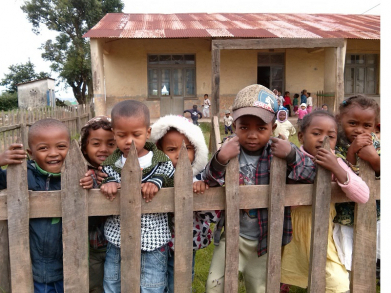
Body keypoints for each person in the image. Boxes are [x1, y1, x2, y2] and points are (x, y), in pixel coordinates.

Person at [203, 84, 316, 293]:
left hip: (265, 238)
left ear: (272, 128)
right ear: (234, 125)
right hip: (233, 234)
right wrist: (220, 158)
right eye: (244, 127)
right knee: (214, 284)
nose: (252, 135)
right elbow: (208, 180)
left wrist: (291, 154)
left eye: (261, 128)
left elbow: (312, 175)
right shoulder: (229, 149)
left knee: (260, 287)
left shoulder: (279, 152)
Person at [280, 110, 369, 293]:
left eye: (331, 136)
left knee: (337, 283)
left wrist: (337, 168)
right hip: (288, 230)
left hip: (322, 231)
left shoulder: (337, 162)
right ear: (302, 136)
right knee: (282, 269)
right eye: (316, 133)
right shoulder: (289, 158)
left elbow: (363, 196)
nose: (323, 139)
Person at [99, 100, 175, 293]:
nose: (129, 141)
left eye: (136, 134)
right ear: (114, 133)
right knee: (113, 283)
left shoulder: (159, 160)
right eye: (122, 135)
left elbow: (172, 177)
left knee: (152, 286)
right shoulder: (111, 164)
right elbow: (101, 178)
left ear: (147, 133)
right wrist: (107, 183)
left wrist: (156, 181)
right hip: (118, 238)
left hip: (154, 238)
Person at [0, 118, 71, 292]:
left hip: (69, 269)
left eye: (61, 146)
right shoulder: (22, 174)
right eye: (43, 148)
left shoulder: (76, 176)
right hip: (29, 269)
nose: (53, 153)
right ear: (30, 153)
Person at [150, 115, 221, 293]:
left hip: (187, 239)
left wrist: (201, 190)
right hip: (157, 239)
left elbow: (211, 215)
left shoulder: (198, 178)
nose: (179, 154)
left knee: (181, 276)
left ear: (196, 150)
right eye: (171, 149)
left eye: (187, 148)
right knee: (156, 277)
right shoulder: (153, 178)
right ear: (159, 150)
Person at [332, 95, 380, 273]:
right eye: (352, 123)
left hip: (376, 213)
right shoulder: (335, 144)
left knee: (374, 251)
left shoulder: (377, 144)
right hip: (345, 215)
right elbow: (344, 176)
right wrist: (352, 152)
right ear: (339, 120)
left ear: (375, 126)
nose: (359, 130)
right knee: (348, 259)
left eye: (366, 126)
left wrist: (375, 159)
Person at [78, 116, 116, 293]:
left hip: (117, 246)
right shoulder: (81, 174)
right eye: (96, 144)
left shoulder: (123, 172)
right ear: (84, 148)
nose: (103, 149)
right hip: (90, 247)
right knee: (94, 286)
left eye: (110, 144)